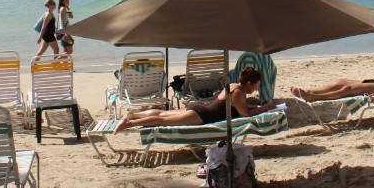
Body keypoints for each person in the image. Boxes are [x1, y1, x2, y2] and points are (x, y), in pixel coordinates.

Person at [115, 67, 276, 132]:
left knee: (164, 114)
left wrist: (257, 106)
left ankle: (131, 115)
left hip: (201, 108)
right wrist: (265, 107)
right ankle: (129, 123)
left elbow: (241, 108)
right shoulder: (239, 93)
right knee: (163, 120)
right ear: (250, 83)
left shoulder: (234, 86)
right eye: (257, 85)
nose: (257, 88)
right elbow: (245, 115)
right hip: (203, 116)